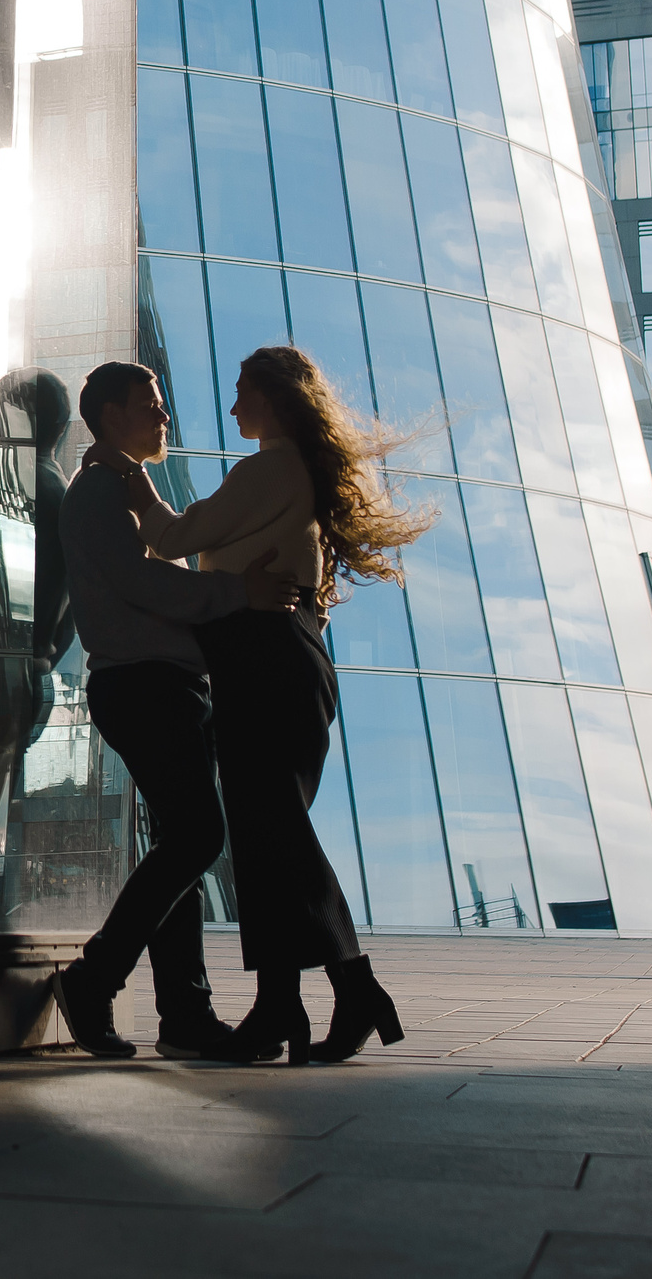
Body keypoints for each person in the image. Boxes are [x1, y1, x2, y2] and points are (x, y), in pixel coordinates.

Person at [94, 345, 429, 1064]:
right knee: (262, 837)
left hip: (266, 661)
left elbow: (173, 537)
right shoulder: (286, 471)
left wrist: (130, 477)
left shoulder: (269, 468)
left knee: (274, 830)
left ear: (275, 398)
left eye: (245, 390)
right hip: (272, 661)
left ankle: (354, 982)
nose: (235, 402)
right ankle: (279, 1004)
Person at [51, 360, 304, 1060]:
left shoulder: (116, 487)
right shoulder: (97, 490)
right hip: (142, 684)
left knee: (182, 844)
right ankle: (93, 977)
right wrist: (236, 595)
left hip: (164, 682)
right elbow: (143, 581)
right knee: (196, 837)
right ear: (109, 416)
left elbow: (151, 556)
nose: (163, 416)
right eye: (148, 405)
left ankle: (184, 1013)